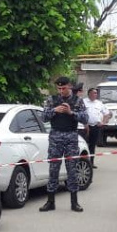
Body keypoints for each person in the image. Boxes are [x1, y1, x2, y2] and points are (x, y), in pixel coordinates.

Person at [39, 76, 88, 212]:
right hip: (55, 136)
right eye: (59, 88)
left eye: (63, 88)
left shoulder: (77, 101)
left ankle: (74, 202)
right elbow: (43, 117)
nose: (61, 91)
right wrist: (54, 110)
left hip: (71, 136)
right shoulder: (52, 100)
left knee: (72, 170)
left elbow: (85, 118)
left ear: (69, 86)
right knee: (53, 169)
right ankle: (50, 201)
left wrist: (71, 113)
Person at [83, 87, 112, 168]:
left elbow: (107, 114)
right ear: (89, 94)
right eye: (94, 93)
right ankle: (83, 162)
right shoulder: (83, 102)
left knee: (92, 145)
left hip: (95, 127)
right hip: (85, 127)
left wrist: (103, 122)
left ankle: (91, 163)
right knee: (84, 145)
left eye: (96, 93)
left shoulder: (99, 103)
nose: (95, 94)